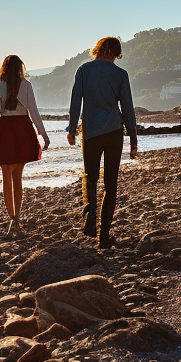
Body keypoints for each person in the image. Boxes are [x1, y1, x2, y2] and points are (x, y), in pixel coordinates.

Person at [66, 36, 138, 248]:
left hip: (91, 133)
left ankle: (90, 214)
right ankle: (104, 235)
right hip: (114, 132)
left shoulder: (83, 70)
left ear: (98, 50)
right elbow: (128, 108)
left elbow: (75, 103)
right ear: (115, 53)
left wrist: (71, 130)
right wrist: (133, 138)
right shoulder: (120, 74)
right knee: (111, 183)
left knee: (90, 177)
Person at [0, 55, 50, 238]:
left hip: (5, 130)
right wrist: (43, 134)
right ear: (20, 68)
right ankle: (17, 218)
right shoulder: (26, 86)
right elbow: (34, 112)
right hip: (22, 129)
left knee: (6, 177)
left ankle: (11, 217)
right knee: (17, 177)